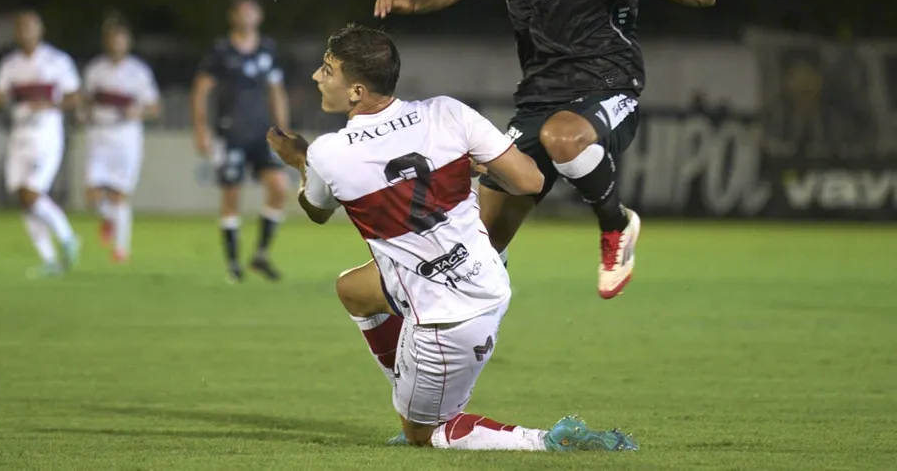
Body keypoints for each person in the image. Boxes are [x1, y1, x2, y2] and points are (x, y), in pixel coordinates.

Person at [373, 0, 717, 299]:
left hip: (608, 88)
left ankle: (616, 228)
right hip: (536, 104)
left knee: (564, 136)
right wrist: (413, 2)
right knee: (476, 248)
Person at [267, 24, 638, 452]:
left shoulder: (329, 152)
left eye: (327, 70)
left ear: (356, 92)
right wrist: (474, 166)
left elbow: (315, 211)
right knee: (353, 289)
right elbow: (530, 180)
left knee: (424, 436)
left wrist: (299, 159)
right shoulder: (447, 111)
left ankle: (545, 441)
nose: (317, 76)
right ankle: (417, 386)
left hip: (447, 316)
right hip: (483, 274)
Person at [190, 0, 290, 283]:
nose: (247, 15)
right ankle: (233, 262)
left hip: (263, 135)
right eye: (241, 10)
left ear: (259, 16)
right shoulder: (222, 51)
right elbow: (200, 90)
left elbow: (276, 91)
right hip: (230, 133)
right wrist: (200, 128)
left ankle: (260, 254)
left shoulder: (267, 49)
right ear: (233, 17)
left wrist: (283, 130)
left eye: (252, 10)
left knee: (280, 188)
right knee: (232, 195)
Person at [0, 11, 82, 277]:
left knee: (32, 192)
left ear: (40, 30)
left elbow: (75, 97)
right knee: (22, 198)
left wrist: (52, 104)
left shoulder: (57, 61)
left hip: (47, 134)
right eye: (21, 27)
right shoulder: (10, 65)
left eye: (30, 27)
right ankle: (50, 259)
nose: (25, 32)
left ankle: (68, 237)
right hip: (19, 133)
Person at [81, 12, 161, 262]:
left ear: (128, 42)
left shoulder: (138, 72)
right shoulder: (95, 69)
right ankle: (108, 218)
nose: (117, 43)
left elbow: (155, 107)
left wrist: (137, 111)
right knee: (92, 192)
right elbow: (86, 100)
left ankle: (121, 249)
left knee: (119, 194)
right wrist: (84, 114)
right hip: (99, 133)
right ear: (106, 41)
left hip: (126, 135)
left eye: (121, 39)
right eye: (112, 39)